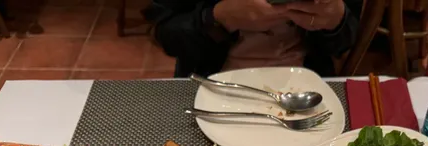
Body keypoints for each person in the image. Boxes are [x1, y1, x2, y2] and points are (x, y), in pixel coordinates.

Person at [143, 0, 362, 77]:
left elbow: (346, 39)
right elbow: (165, 33)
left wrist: (335, 20)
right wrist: (219, 19)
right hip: (211, 82)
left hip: (305, 85)